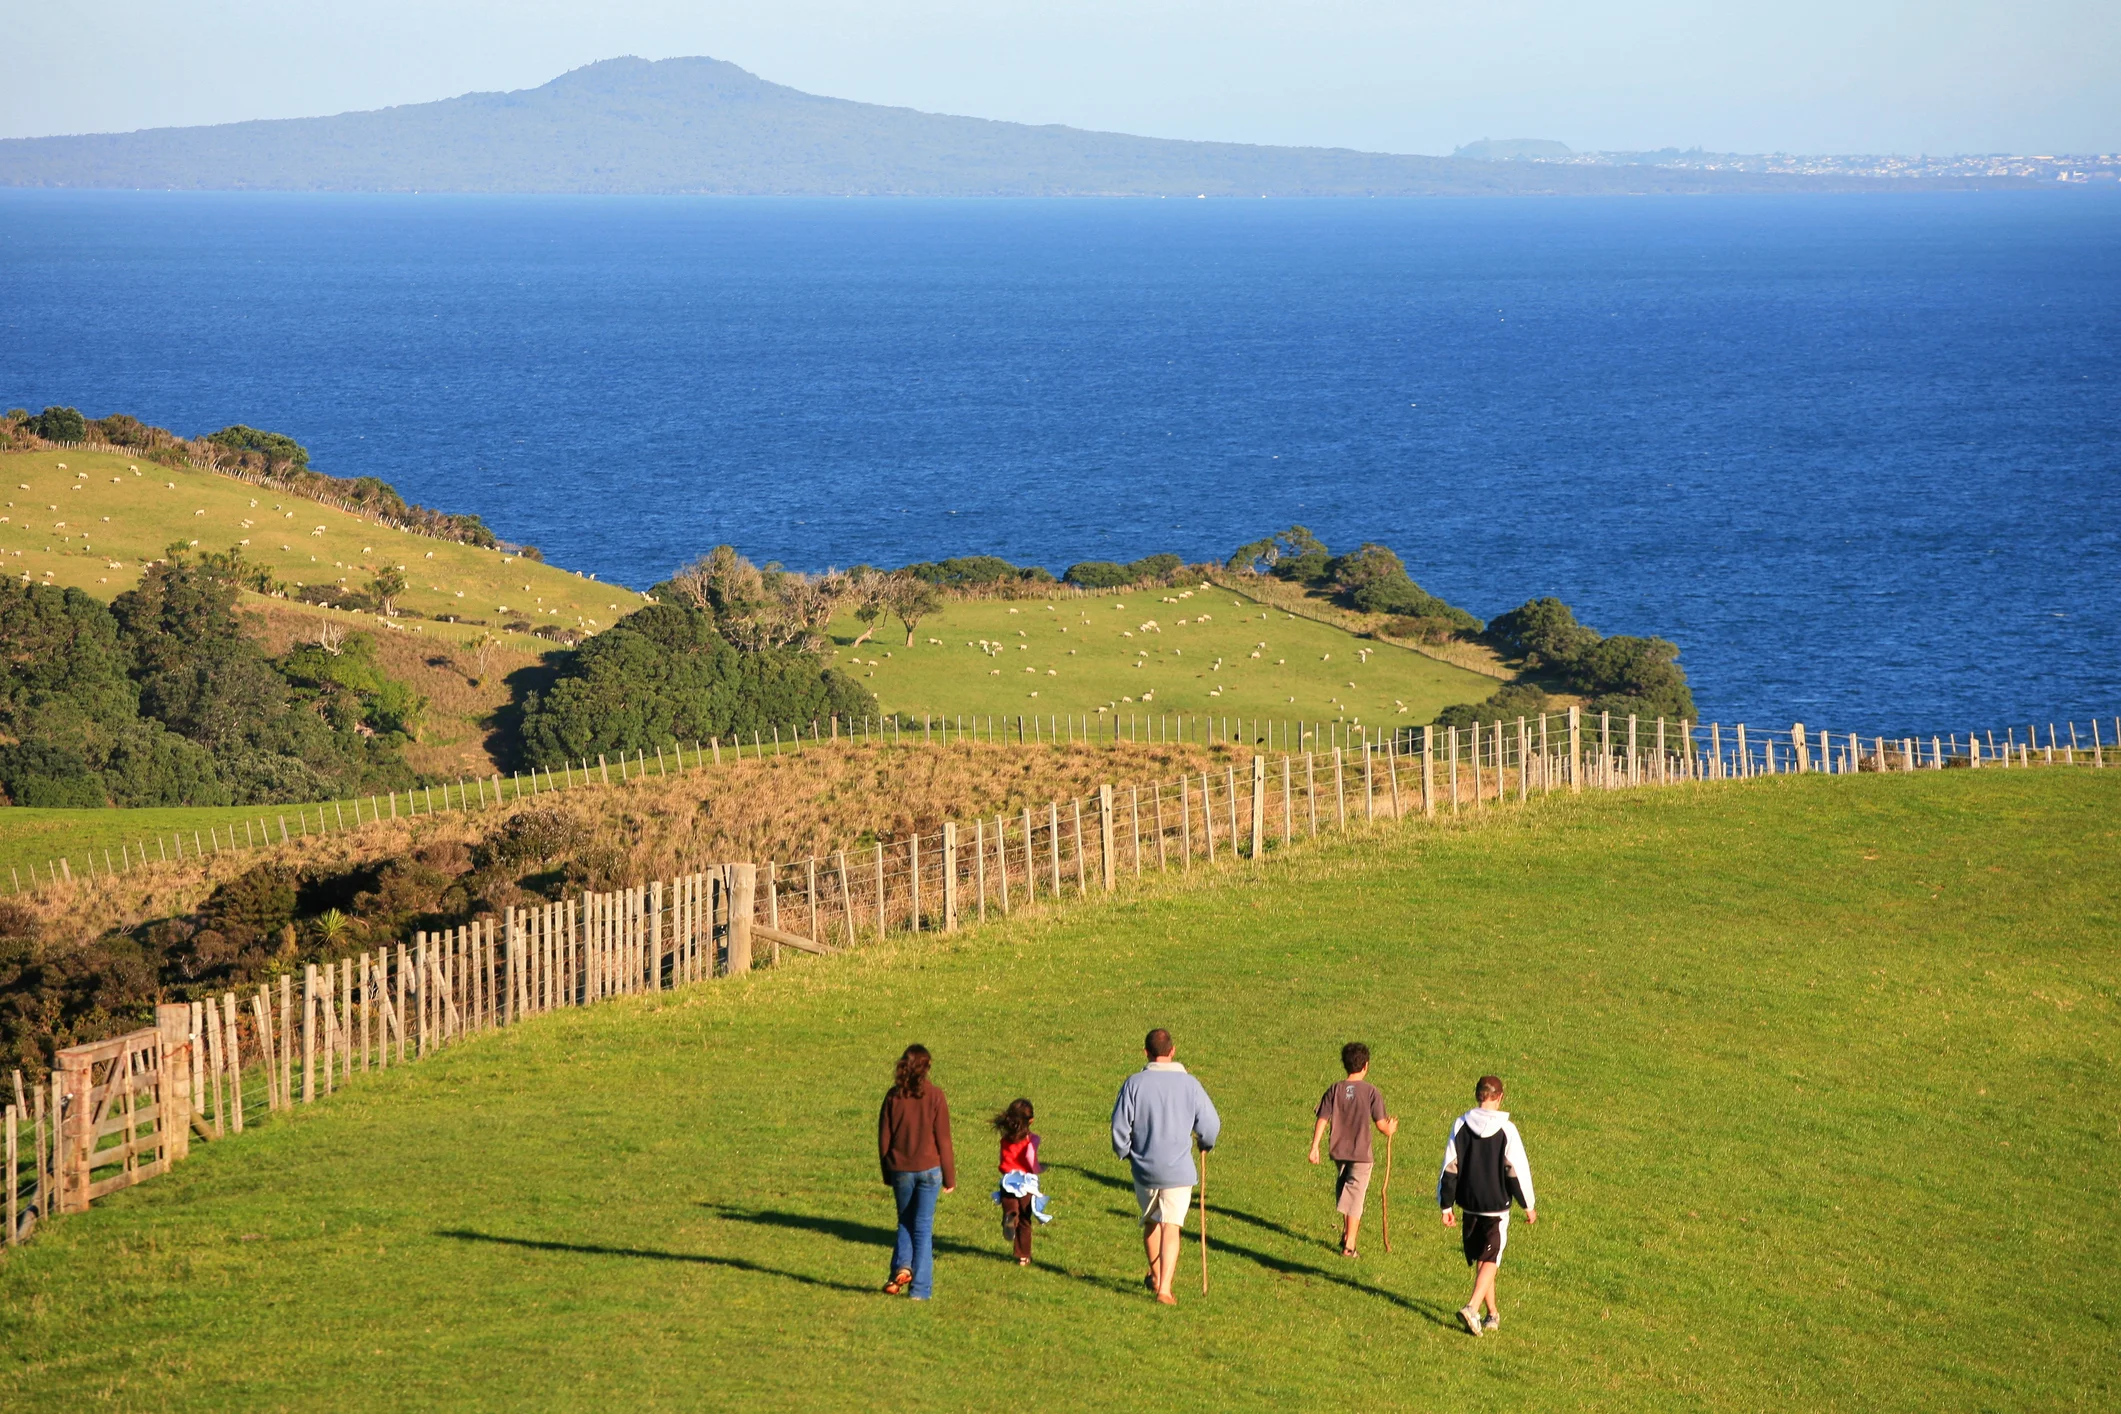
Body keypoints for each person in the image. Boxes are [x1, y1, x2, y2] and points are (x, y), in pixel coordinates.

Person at [1110, 1027, 1221, 1305]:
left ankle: (1157, 1276)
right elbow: (1210, 1124)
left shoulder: (1133, 1083)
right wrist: (1205, 1142)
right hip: (1179, 1170)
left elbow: (1119, 1127)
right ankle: (1164, 1289)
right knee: (1171, 1225)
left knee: (1151, 1221)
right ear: (1172, 1051)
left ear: (1146, 1052)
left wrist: (1125, 1152)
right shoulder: (1190, 1084)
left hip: (1144, 1168)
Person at [1437, 1074, 1538, 1336]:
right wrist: (1528, 1205)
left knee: (1485, 1256)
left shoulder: (1460, 1124)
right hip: (1496, 1207)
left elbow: (1450, 1167)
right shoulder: (1508, 1130)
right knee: (1492, 1258)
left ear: (1477, 1095)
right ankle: (1472, 1308)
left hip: (1469, 1204)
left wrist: (1446, 1206)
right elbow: (1515, 1170)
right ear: (1500, 1097)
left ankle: (1491, 1315)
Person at [1307, 1041, 1399, 1257]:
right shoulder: (1371, 1092)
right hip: (1361, 1154)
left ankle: (1346, 1234)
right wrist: (1391, 1128)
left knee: (1345, 1192)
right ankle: (1350, 1246)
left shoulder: (1335, 1089)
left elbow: (1323, 1118)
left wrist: (1315, 1146)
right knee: (1355, 1197)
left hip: (1339, 1151)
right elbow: (1381, 1126)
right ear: (1366, 1066)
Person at [878, 1043, 955, 1300]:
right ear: (926, 1068)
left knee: (905, 1221)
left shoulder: (893, 1097)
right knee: (922, 1227)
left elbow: (884, 1138)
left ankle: (900, 1269)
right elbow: (943, 1139)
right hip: (930, 1170)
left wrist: (887, 1172)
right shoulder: (936, 1096)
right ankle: (920, 1290)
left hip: (900, 1169)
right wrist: (950, 1176)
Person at [991, 1097, 1052, 1266]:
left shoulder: (1005, 1139)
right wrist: (1039, 1168)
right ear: (1031, 1120)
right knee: (1025, 1221)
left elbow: (1003, 1159)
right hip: (1026, 1183)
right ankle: (1023, 1256)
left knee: (1011, 1204)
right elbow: (1029, 1158)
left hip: (1008, 1181)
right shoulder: (1031, 1139)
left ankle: (1010, 1213)